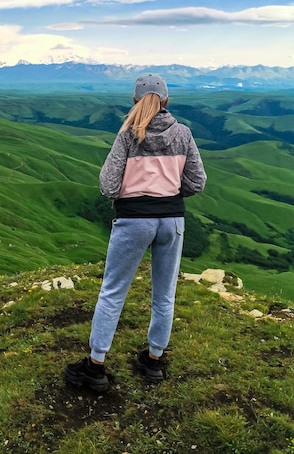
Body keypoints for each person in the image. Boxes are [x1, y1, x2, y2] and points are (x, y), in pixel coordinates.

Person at [63, 73, 207, 391]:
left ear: (134, 100)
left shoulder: (128, 134)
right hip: (172, 220)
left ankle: (95, 366)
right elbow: (197, 182)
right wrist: (167, 192)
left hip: (134, 220)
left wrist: (135, 193)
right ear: (166, 101)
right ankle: (153, 361)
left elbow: (107, 184)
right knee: (164, 295)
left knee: (113, 292)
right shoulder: (183, 134)